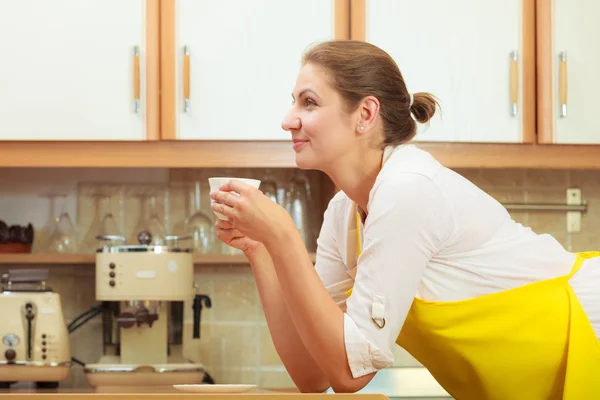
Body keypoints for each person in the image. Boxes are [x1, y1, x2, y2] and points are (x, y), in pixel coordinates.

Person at [209, 40, 600, 399]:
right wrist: (262, 250)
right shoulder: (345, 211)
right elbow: (315, 374)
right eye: (294, 102)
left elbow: (350, 374)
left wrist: (283, 237)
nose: (288, 120)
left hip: (586, 336)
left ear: (365, 114)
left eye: (308, 102)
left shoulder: (408, 191)